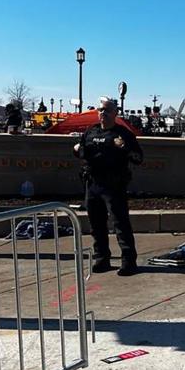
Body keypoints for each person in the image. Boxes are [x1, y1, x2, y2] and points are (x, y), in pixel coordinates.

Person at [73, 97, 143, 276]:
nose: (102, 113)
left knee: (120, 223)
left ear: (115, 113)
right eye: (100, 110)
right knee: (96, 223)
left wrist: (124, 147)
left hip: (114, 184)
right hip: (93, 183)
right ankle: (102, 258)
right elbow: (82, 151)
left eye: (106, 110)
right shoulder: (91, 131)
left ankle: (129, 261)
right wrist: (76, 149)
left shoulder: (122, 134)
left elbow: (138, 158)